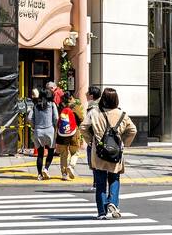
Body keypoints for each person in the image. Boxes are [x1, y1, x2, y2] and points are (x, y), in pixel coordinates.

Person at [82, 87, 136, 219]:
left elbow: (83, 127)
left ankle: (101, 212)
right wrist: (124, 142)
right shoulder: (122, 114)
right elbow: (133, 130)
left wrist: (90, 141)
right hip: (115, 152)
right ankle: (113, 202)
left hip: (99, 151)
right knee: (114, 178)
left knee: (100, 182)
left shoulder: (94, 112)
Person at [29, 87, 58, 179]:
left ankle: (39, 174)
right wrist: (54, 126)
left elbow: (29, 118)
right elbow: (56, 118)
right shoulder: (52, 105)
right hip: (50, 131)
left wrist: (34, 126)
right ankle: (46, 169)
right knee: (50, 152)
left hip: (38, 131)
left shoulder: (35, 105)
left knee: (40, 154)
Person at [55, 91, 83, 179]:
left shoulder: (61, 107)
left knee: (63, 154)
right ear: (71, 98)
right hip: (74, 133)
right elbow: (81, 118)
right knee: (75, 152)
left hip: (62, 134)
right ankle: (71, 166)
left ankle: (64, 174)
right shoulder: (75, 107)